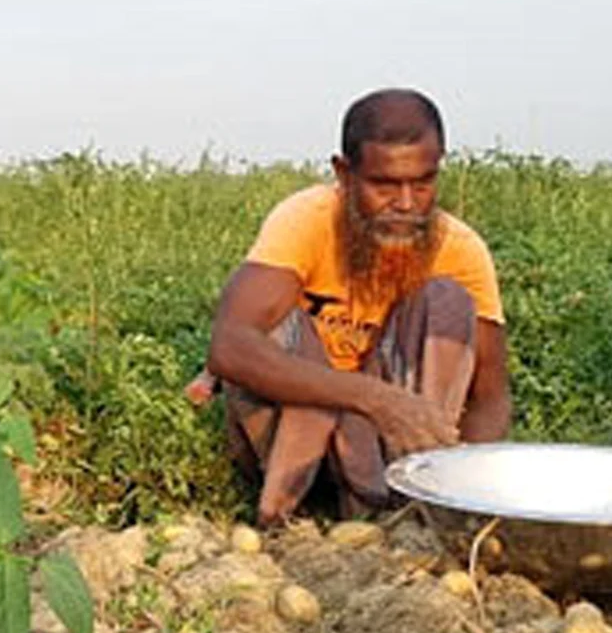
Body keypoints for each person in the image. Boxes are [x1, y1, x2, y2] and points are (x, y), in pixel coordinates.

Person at [200, 89, 512, 524]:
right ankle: (287, 517)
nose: (405, 204)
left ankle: (412, 507)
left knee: (448, 302)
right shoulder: (305, 220)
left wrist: (463, 484)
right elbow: (230, 346)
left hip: (390, 449)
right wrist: (376, 399)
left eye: (422, 184)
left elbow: (491, 397)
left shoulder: (460, 249)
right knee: (274, 324)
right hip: (297, 433)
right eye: (384, 185)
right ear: (344, 174)